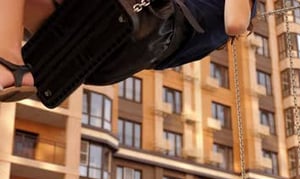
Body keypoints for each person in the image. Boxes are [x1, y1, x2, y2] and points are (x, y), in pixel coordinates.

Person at [0, 0, 255, 102]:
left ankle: (9, 67)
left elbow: (235, 23)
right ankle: (14, 67)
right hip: (98, 44)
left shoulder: (240, 7)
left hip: (131, 32)